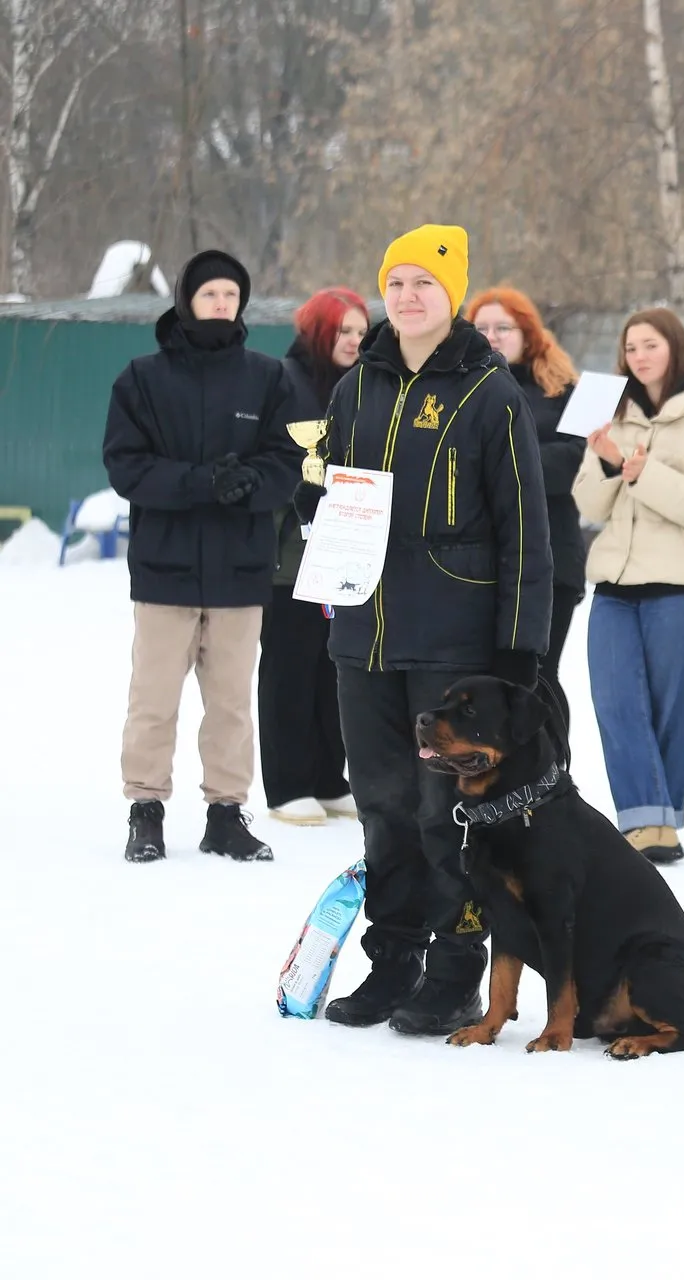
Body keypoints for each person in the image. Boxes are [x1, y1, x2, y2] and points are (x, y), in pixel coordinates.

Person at [312, 224, 553, 1036]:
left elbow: (527, 526)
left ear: (452, 296)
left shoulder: (490, 394)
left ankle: (454, 972)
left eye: (425, 284)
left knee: (441, 811)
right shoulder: (356, 387)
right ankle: (393, 965)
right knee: (379, 804)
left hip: (451, 638)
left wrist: (520, 648)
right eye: (396, 283)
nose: (408, 297)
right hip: (364, 636)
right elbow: (339, 495)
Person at [103, 249, 302, 864]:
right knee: (154, 700)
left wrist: (248, 485)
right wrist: (197, 483)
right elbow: (125, 466)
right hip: (164, 571)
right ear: (187, 299)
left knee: (232, 703)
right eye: (211, 293)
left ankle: (226, 813)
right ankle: (146, 810)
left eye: (231, 296)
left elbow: (287, 462)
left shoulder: (268, 378)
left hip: (241, 571)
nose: (222, 304)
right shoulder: (143, 378)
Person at [572, 308, 684, 864]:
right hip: (616, 581)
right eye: (631, 347)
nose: (639, 356)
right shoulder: (611, 416)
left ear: (676, 348)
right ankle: (648, 823)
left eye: (650, 345)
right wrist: (608, 464)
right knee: (615, 702)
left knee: (669, 710)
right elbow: (588, 504)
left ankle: (656, 825)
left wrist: (638, 469)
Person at [258, 286, 366, 826]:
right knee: (289, 668)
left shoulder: (361, 386)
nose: (352, 341)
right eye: (342, 330)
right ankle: (287, 783)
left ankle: (329, 776)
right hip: (288, 556)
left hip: (346, 552)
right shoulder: (284, 380)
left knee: (334, 669)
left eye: (359, 332)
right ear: (319, 331)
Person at [467, 286, 586, 686]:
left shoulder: (564, 389)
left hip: (553, 554)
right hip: (481, 559)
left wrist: (500, 461)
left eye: (504, 326)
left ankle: (552, 752)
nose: (492, 335)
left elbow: (577, 461)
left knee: (540, 677)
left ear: (527, 332)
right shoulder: (460, 389)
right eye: (481, 326)